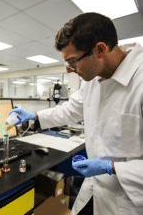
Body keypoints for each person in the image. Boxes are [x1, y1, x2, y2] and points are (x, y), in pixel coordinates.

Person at [10, 12, 143, 215]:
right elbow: (70, 110)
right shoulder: (93, 80)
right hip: (95, 191)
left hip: (128, 201)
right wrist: (34, 116)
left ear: (100, 49)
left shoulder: (139, 81)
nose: (70, 71)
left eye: (73, 61)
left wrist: (112, 167)